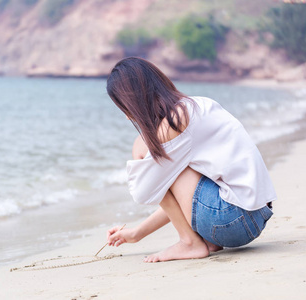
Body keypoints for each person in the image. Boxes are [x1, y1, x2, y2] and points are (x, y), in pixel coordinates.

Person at [105, 57, 276, 262]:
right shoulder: (194, 106)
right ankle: (201, 239)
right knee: (166, 167)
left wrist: (140, 147)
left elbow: (144, 191)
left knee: (147, 154)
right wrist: (136, 234)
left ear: (133, 101)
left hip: (233, 220)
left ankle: (189, 243)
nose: (126, 116)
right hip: (253, 217)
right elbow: (181, 196)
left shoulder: (175, 122)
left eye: (124, 107)